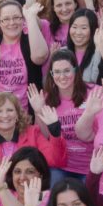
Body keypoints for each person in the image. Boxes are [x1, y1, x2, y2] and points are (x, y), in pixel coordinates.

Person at [0, 0, 49, 110]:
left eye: (16, 17)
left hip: (25, 113)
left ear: (23, 19)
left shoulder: (31, 41)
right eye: (6, 19)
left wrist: (31, 18)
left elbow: (40, 57)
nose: (12, 23)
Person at [30, 49, 91, 184]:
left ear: (75, 70)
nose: (62, 76)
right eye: (57, 72)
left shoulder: (92, 93)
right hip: (60, 165)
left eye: (66, 71)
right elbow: (45, 136)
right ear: (51, 74)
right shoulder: (46, 98)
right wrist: (38, 110)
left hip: (89, 166)